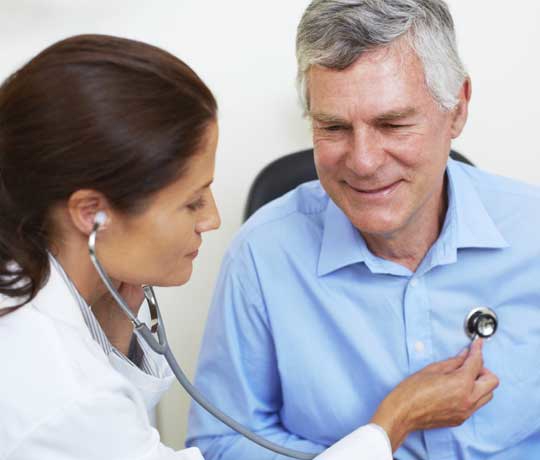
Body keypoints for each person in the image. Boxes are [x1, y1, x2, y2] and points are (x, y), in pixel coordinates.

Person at [0, 33, 493, 460]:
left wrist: (112, 325)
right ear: (92, 214)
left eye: (393, 124)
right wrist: (391, 425)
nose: (214, 219)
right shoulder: (62, 395)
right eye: (192, 202)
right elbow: (101, 423)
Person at [187, 0, 540, 459]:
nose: (364, 162)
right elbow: (221, 443)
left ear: (457, 109)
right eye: (333, 127)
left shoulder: (533, 231)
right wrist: (382, 433)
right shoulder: (262, 254)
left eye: (392, 124)